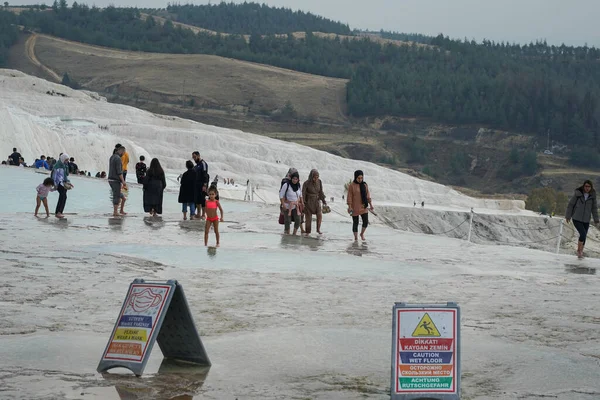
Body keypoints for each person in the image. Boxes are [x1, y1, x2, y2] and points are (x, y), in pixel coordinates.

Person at [565, 179, 599, 258]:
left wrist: (596, 220)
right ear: (583, 186)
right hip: (576, 218)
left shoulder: (592, 196)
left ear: (591, 187)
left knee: (584, 235)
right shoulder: (578, 194)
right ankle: (579, 251)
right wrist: (568, 216)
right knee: (583, 234)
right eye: (586, 186)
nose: (587, 188)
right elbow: (571, 205)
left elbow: (594, 209)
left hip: (586, 219)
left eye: (589, 186)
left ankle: (581, 251)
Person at [347, 170, 373, 241]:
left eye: (361, 178)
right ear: (355, 177)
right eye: (358, 178)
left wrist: (371, 205)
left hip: (363, 207)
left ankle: (362, 233)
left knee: (366, 222)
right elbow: (349, 196)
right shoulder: (351, 185)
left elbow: (368, 195)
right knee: (355, 222)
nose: (360, 179)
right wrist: (350, 207)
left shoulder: (364, 185)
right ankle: (355, 237)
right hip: (354, 207)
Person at [302, 169, 327, 235]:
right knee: (308, 217)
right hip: (308, 202)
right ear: (311, 176)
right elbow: (303, 193)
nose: (315, 179)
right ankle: (308, 232)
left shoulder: (319, 182)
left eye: (317, 177)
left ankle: (318, 229)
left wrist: (323, 200)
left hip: (317, 201)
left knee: (319, 215)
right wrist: (303, 202)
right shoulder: (306, 183)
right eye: (314, 177)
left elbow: (321, 192)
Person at [280, 171, 303, 235]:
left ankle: (294, 233)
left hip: (296, 206)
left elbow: (301, 195)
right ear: (291, 178)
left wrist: (302, 203)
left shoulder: (298, 186)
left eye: (296, 179)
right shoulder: (286, 185)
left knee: (298, 219)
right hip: (287, 206)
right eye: (293, 179)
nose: (295, 180)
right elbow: (281, 195)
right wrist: (283, 205)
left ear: (298, 179)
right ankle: (288, 234)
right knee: (287, 221)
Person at [52, 153, 73, 219]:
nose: (67, 161)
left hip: (63, 184)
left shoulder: (64, 166)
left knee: (63, 197)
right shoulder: (57, 166)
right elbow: (54, 176)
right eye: (66, 160)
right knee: (63, 196)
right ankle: (58, 212)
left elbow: (65, 176)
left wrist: (69, 182)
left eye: (67, 160)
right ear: (63, 159)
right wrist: (55, 185)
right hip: (59, 184)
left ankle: (59, 212)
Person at [108, 146, 127, 217]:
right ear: (121, 151)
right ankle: (115, 212)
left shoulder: (112, 157)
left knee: (122, 197)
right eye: (123, 152)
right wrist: (123, 181)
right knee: (116, 196)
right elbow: (119, 172)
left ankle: (121, 210)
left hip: (110, 179)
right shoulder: (118, 159)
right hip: (115, 180)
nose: (123, 154)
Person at [192, 151, 209, 219]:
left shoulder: (203, 164)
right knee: (197, 199)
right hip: (196, 184)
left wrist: (205, 185)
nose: (194, 159)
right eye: (193, 157)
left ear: (198, 156)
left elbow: (205, 174)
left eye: (195, 157)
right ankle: (198, 213)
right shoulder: (196, 166)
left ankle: (203, 214)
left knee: (202, 199)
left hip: (202, 184)